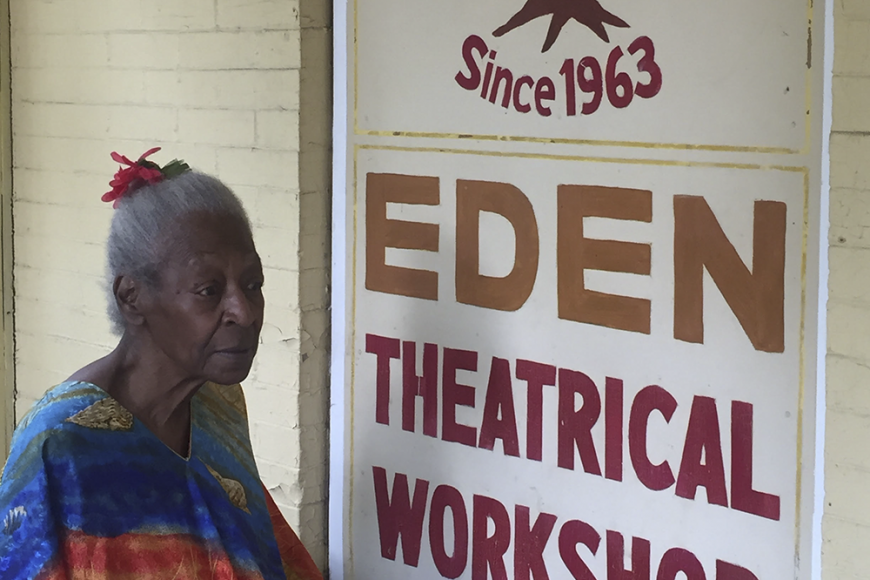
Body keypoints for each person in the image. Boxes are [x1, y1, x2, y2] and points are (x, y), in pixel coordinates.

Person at [0, 148, 323, 580]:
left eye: (252, 284)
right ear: (132, 297)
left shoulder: (219, 403)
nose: (244, 312)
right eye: (209, 289)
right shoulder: (61, 445)